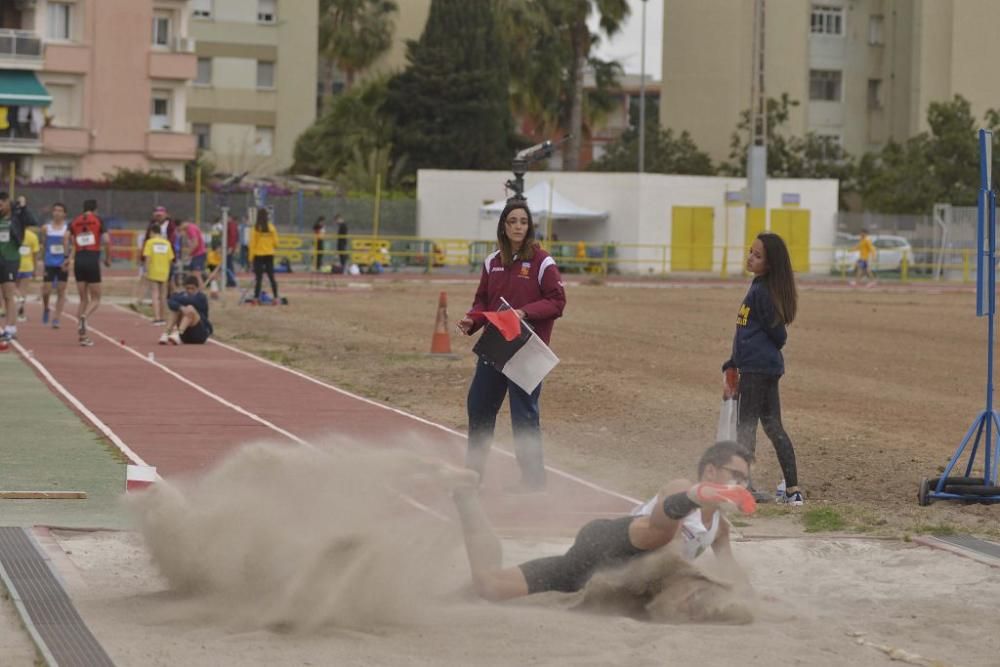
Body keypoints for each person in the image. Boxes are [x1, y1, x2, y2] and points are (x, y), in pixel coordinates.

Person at [451, 441, 756, 602]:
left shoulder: (721, 529)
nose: (742, 484)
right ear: (712, 472)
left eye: (745, 480)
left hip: (589, 572)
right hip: (612, 542)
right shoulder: (678, 485)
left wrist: (748, 597)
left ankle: (465, 498)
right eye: (736, 476)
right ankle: (697, 496)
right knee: (665, 536)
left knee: (489, 585)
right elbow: (669, 547)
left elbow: (733, 575)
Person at [456, 200, 566, 493]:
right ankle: (473, 475)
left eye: (523, 221)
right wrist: (473, 320)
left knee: (524, 416)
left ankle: (533, 482)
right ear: (503, 226)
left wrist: (524, 312)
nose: (518, 226)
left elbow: (557, 302)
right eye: (512, 221)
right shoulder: (492, 261)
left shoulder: (543, 262)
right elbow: (483, 300)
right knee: (479, 407)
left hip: (527, 348)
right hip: (495, 345)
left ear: (529, 227)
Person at [722, 232, 802, 506]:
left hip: (758, 370)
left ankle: (745, 486)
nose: (750, 258)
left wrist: (749, 359)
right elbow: (745, 331)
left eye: (757, 256)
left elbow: (778, 334)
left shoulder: (763, 292)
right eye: (750, 252)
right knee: (772, 425)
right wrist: (733, 361)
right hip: (760, 366)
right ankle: (793, 491)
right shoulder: (757, 287)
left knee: (746, 426)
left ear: (770, 264)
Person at [69, 199, 111, 347]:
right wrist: (108, 258)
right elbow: (106, 240)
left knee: (83, 299)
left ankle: (82, 336)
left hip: (79, 261)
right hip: (92, 260)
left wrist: (67, 257)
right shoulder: (98, 220)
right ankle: (84, 317)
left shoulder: (75, 221)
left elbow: (67, 238)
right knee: (96, 298)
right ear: (95, 209)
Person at [39, 202, 71, 328]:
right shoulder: (46, 228)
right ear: (52, 212)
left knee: (61, 291)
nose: (57, 213)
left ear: (64, 214)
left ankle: (57, 318)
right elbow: (43, 243)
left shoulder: (67, 229)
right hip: (49, 262)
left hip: (62, 263)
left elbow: (71, 246)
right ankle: (46, 307)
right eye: (55, 210)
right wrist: (41, 259)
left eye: (60, 210)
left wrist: (68, 259)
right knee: (46, 290)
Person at [160, 273, 213, 345]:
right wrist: (180, 307)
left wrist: (179, 302)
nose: (190, 290)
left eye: (192, 288)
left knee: (190, 308)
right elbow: (170, 302)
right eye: (187, 288)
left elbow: (191, 301)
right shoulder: (182, 295)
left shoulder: (201, 297)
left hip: (199, 334)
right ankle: (166, 333)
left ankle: (178, 333)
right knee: (176, 310)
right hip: (186, 335)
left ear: (197, 288)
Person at [0, 192, 25, 342]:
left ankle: (11, 327)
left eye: (2, 203)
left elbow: (31, 220)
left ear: (8, 203)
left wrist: (22, 207)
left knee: (8, 295)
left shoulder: (16, 219)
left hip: (10, 259)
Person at [141, 221, 174, 325]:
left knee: (155, 295)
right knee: (163, 296)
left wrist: (145, 271)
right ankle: (163, 318)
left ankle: (157, 318)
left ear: (152, 232)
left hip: (153, 270)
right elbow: (171, 259)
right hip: (165, 271)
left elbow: (147, 257)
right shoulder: (167, 243)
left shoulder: (150, 242)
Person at [249, 208, 279, 302]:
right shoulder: (272, 228)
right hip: (269, 254)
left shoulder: (255, 229)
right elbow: (276, 243)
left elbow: (252, 244)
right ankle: (276, 297)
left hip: (258, 255)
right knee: (271, 277)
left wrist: (250, 258)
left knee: (259, 278)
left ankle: (256, 297)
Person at [15, 215, 39, 322]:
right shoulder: (32, 236)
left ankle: (17, 304)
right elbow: (35, 255)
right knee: (23, 290)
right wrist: (35, 268)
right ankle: (21, 312)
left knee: (12, 288)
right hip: (27, 267)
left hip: (14, 266)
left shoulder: (14, 234)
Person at [180, 219, 207, 286]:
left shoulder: (191, 229)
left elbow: (195, 243)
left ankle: (201, 290)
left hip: (199, 254)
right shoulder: (190, 229)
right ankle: (193, 289)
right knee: (191, 273)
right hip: (196, 254)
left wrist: (188, 254)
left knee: (196, 274)